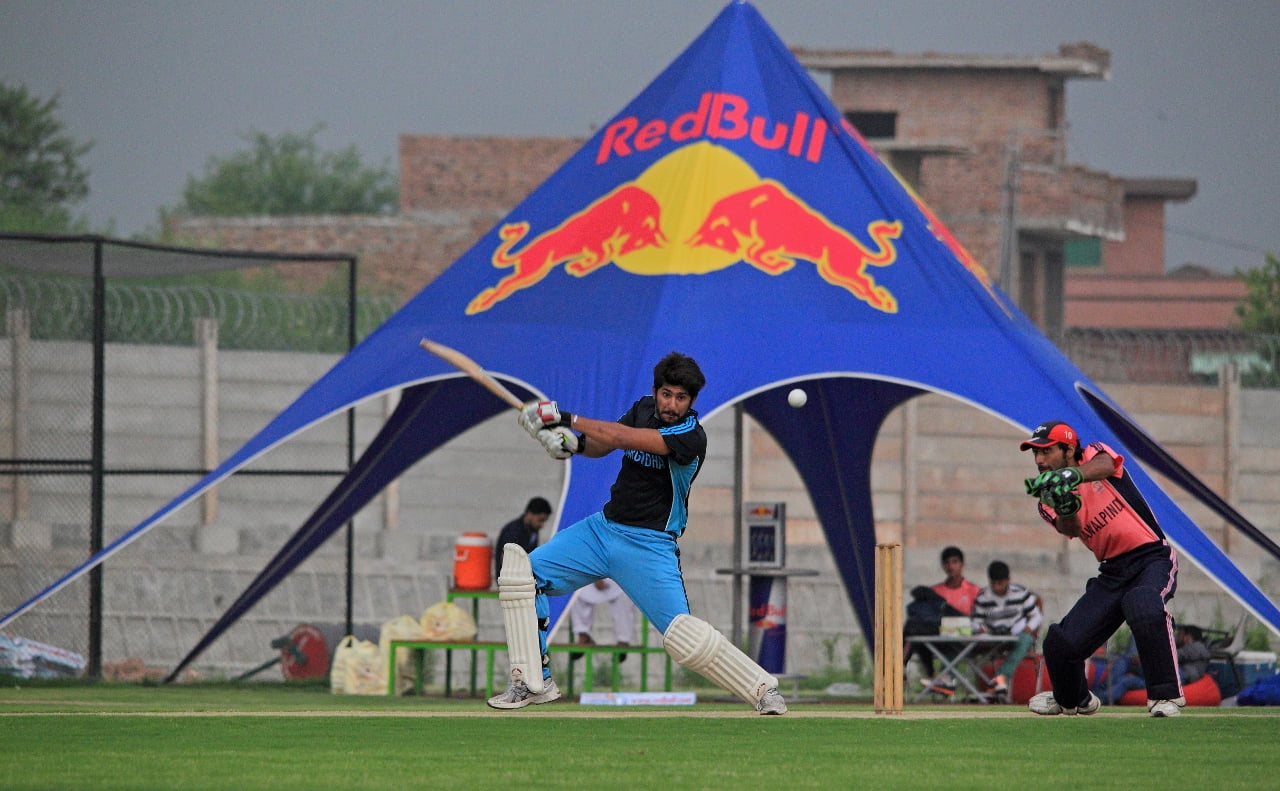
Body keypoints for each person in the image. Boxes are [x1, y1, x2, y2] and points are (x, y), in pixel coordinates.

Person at [487, 351, 787, 714]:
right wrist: (574, 444)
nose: (671, 404)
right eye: (666, 394)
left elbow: (625, 437)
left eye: (681, 397)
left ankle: (762, 689)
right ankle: (533, 681)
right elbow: (607, 443)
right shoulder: (644, 407)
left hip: (650, 546)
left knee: (685, 638)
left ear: (691, 401)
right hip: (602, 531)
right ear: (655, 391)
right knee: (523, 576)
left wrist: (565, 417)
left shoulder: (690, 435)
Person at [1020, 420, 1185, 718]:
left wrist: (1073, 476)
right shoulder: (1047, 499)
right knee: (1059, 644)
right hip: (1112, 572)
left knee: (1143, 604)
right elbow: (1072, 528)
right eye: (1035, 454)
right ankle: (1075, 699)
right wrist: (1065, 504)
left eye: (1046, 451)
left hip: (1151, 557)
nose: (1039, 460)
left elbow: (1108, 464)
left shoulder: (1094, 454)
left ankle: (1165, 697)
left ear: (1069, 449)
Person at [970, 560, 1042, 698]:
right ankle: (994, 685)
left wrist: (1028, 627)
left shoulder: (1021, 593)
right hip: (991, 638)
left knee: (1026, 640)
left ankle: (1000, 678)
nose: (996, 587)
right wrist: (980, 629)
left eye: (1000, 584)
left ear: (1008, 580)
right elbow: (975, 622)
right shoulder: (983, 597)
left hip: (1015, 636)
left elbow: (1036, 616)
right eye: (993, 584)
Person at [918, 546, 982, 696]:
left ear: (962, 564)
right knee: (916, 635)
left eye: (954, 562)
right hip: (939, 639)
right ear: (943, 566)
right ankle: (934, 677)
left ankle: (944, 681)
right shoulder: (935, 591)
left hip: (967, 640)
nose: (951, 566)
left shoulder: (974, 591)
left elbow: (981, 617)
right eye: (947, 563)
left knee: (955, 643)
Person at [569, 578, 638, 661]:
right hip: (592, 576)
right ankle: (584, 637)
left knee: (625, 594)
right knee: (575, 592)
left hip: (617, 579)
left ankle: (623, 641)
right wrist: (597, 578)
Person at [493, 497, 552, 581]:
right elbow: (507, 561)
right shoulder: (513, 531)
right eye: (540, 520)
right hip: (510, 581)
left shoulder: (533, 531)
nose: (542, 525)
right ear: (529, 514)